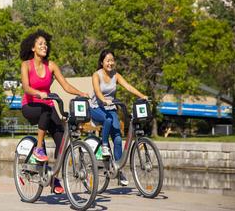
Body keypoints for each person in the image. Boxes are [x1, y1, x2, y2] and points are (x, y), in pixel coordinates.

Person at [20, 30, 88, 194]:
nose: (44, 46)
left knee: (62, 141)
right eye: (40, 44)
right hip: (30, 106)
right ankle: (38, 148)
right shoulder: (26, 65)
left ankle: (54, 178)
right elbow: (26, 87)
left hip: (48, 107)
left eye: (45, 44)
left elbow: (65, 85)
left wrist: (80, 93)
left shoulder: (51, 65)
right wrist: (39, 93)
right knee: (45, 109)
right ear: (33, 48)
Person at [89, 49, 147, 186]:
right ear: (102, 62)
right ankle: (104, 145)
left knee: (118, 138)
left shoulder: (116, 75)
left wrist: (141, 95)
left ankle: (118, 170)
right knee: (108, 120)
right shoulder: (96, 75)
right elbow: (97, 92)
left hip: (111, 107)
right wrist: (104, 100)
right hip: (97, 107)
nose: (110, 63)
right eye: (107, 60)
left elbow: (128, 86)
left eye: (112, 60)